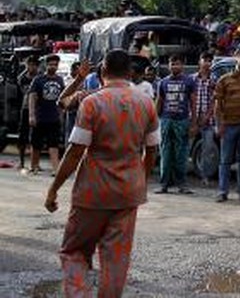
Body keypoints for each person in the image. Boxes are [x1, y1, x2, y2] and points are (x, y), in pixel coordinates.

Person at [45, 48, 160, 298]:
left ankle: (79, 294)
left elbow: (76, 151)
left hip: (92, 191)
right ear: (130, 72)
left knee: (73, 251)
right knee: (116, 259)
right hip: (128, 192)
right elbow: (152, 151)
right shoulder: (146, 104)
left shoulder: (92, 102)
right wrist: (140, 179)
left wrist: (54, 189)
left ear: (102, 71)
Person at [213, 50, 240, 202]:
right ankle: (222, 191)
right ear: (237, 61)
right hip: (228, 125)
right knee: (225, 160)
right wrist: (219, 125)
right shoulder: (224, 80)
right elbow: (217, 105)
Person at [155, 55, 197, 194]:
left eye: (177, 64)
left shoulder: (189, 81)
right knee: (165, 152)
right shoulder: (163, 82)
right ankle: (164, 184)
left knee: (181, 153)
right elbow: (159, 101)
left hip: (182, 120)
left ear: (182, 66)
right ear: (168, 65)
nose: (175, 66)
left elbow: (193, 102)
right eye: (172, 64)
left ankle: (182, 184)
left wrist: (193, 123)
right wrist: (155, 119)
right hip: (166, 120)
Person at [29, 54, 66, 175]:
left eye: (55, 64)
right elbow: (32, 97)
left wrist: (61, 115)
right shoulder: (38, 80)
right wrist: (32, 115)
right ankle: (34, 166)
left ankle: (56, 169)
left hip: (53, 117)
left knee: (53, 144)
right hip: (40, 116)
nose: (53, 67)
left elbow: (62, 99)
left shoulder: (60, 80)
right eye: (51, 64)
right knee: (36, 144)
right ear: (46, 65)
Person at [192, 52, 219, 187]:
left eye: (210, 61)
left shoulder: (214, 80)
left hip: (208, 121)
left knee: (208, 149)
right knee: (184, 147)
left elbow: (215, 100)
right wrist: (194, 119)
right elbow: (189, 99)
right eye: (205, 60)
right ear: (199, 62)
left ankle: (205, 176)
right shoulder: (192, 79)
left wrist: (208, 116)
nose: (207, 63)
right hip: (193, 119)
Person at [16, 54, 38, 172]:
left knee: (35, 137)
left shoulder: (39, 78)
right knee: (22, 136)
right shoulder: (23, 78)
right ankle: (21, 161)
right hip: (25, 108)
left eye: (34, 65)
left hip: (37, 109)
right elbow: (19, 81)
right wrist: (26, 69)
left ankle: (35, 162)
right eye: (29, 65)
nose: (32, 67)